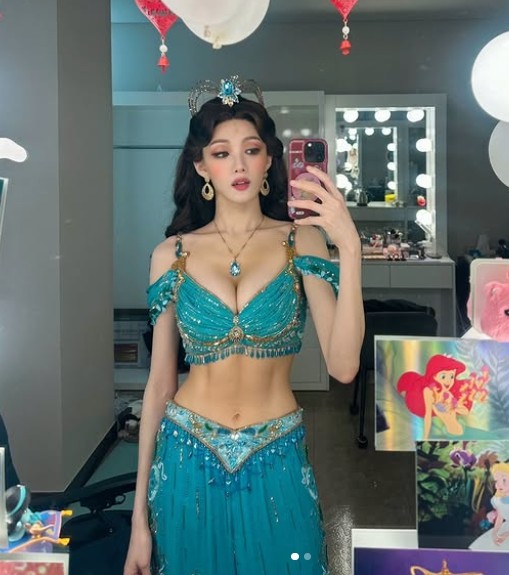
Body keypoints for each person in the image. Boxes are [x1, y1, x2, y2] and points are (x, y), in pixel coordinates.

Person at [123, 76, 364, 575]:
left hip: (277, 457)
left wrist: (350, 248)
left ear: (270, 160)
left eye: (251, 150)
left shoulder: (302, 242)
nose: (238, 165)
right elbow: (160, 385)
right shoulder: (171, 254)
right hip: (186, 457)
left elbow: (343, 367)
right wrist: (138, 520)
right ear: (201, 166)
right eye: (221, 152)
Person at [397, 354, 488, 440]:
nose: (448, 381)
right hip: (451, 434)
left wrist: (455, 407)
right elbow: (428, 416)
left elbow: (465, 411)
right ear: (434, 376)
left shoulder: (447, 394)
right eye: (443, 376)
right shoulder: (428, 392)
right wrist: (425, 438)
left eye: (451, 376)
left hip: (463, 429)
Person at [469, 461, 509, 551]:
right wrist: (495, 532)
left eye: (504, 480)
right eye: (497, 481)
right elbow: (500, 517)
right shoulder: (498, 500)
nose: (499, 484)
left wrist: (506, 535)